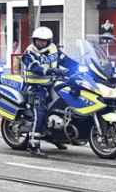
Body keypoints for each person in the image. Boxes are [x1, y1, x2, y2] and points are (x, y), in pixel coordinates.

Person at [22, 26, 79, 158]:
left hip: (52, 85)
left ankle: (58, 137)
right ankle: (34, 146)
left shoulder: (54, 49)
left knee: (64, 104)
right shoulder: (29, 53)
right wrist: (53, 71)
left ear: (48, 41)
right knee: (40, 111)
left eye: (43, 41)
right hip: (35, 87)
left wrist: (80, 67)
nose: (40, 43)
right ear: (34, 40)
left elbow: (66, 60)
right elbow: (35, 69)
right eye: (38, 41)